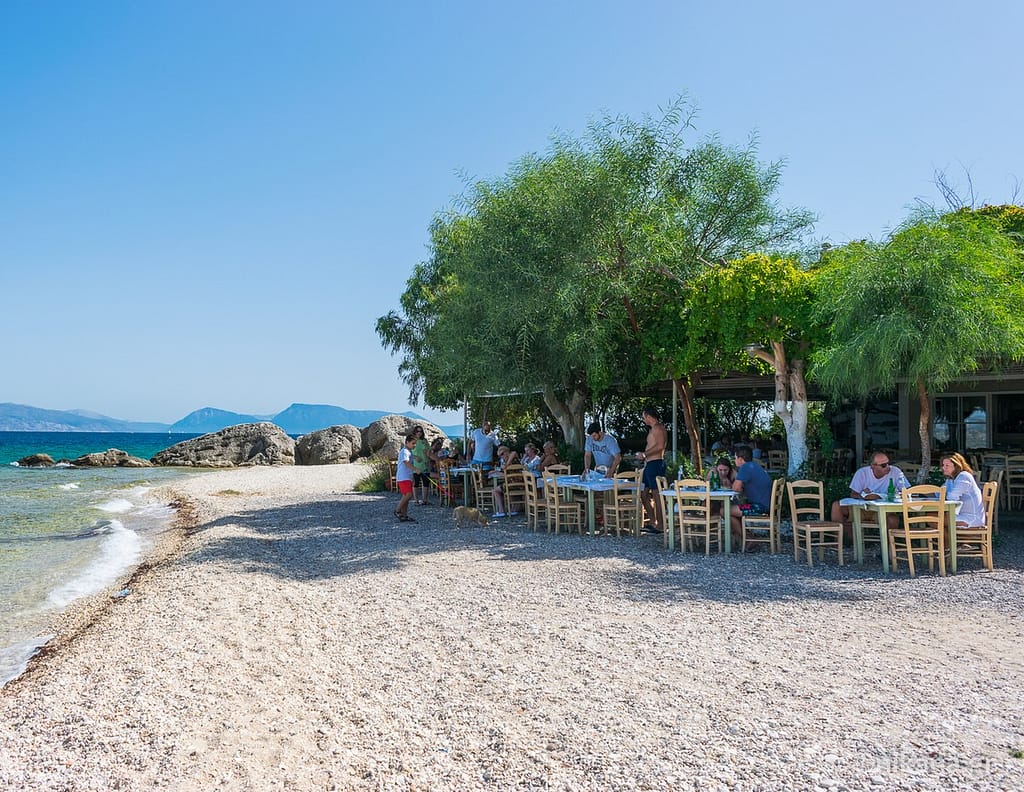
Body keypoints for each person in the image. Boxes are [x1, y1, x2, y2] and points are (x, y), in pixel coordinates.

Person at [829, 451, 909, 543]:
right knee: (836, 506)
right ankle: (839, 542)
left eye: (888, 464)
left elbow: (906, 491)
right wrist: (864, 495)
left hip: (883, 510)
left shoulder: (895, 471)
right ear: (873, 466)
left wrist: (891, 495)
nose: (887, 467)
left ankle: (889, 547)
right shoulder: (862, 473)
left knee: (893, 519)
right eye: (883, 465)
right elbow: (853, 494)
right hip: (862, 509)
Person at [729, 445, 772, 549]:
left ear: (740, 459)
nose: (734, 461)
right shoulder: (754, 466)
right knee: (730, 511)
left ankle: (749, 538)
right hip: (765, 504)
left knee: (725, 511)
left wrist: (735, 476)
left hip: (759, 507)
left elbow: (735, 488)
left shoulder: (745, 467)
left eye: (735, 458)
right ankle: (748, 538)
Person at [637, 406, 667, 533]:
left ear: (649, 417)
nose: (644, 420)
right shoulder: (653, 429)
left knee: (656, 494)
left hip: (655, 463)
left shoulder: (658, 428)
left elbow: (660, 446)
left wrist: (645, 454)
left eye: (644, 417)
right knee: (643, 494)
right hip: (649, 464)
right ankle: (652, 521)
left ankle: (660, 525)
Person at [941, 452, 986, 529]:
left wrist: (942, 495)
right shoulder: (950, 479)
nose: (943, 468)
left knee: (934, 520)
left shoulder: (964, 477)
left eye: (947, 466)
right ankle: (950, 540)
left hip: (971, 518)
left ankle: (949, 540)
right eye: (943, 465)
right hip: (960, 515)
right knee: (933, 517)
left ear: (956, 466)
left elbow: (952, 498)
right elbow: (939, 493)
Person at [394, 433, 417, 522]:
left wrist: (413, 478)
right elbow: (406, 463)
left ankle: (404, 515)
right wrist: (416, 469)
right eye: (413, 443)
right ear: (407, 442)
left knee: (406, 497)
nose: (414, 445)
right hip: (403, 477)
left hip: (407, 477)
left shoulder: (409, 452)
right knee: (408, 495)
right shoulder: (404, 451)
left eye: (415, 443)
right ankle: (397, 510)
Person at [410, 426, 432, 506]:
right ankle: (416, 500)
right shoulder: (413, 441)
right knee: (416, 483)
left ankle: (425, 500)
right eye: (417, 431)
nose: (419, 433)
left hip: (425, 464)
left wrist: (430, 459)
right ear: (414, 432)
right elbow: (408, 451)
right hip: (416, 465)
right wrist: (415, 457)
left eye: (420, 431)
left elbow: (429, 451)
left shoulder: (425, 441)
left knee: (426, 483)